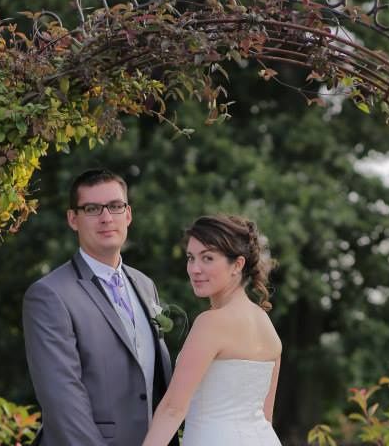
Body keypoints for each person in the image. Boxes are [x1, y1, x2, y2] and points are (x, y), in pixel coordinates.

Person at [23, 168, 179, 446]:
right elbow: (63, 400)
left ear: (128, 214)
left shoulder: (145, 285)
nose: (106, 218)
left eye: (115, 206)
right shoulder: (49, 295)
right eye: (92, 208)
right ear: (73, 219)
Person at [142, 214, 282, 446]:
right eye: (190, 258)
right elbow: (266, 417)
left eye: (207, 258)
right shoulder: (267, 326)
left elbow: (173, 409)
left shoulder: (211, 323)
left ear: (237, 264)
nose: (194, 269)